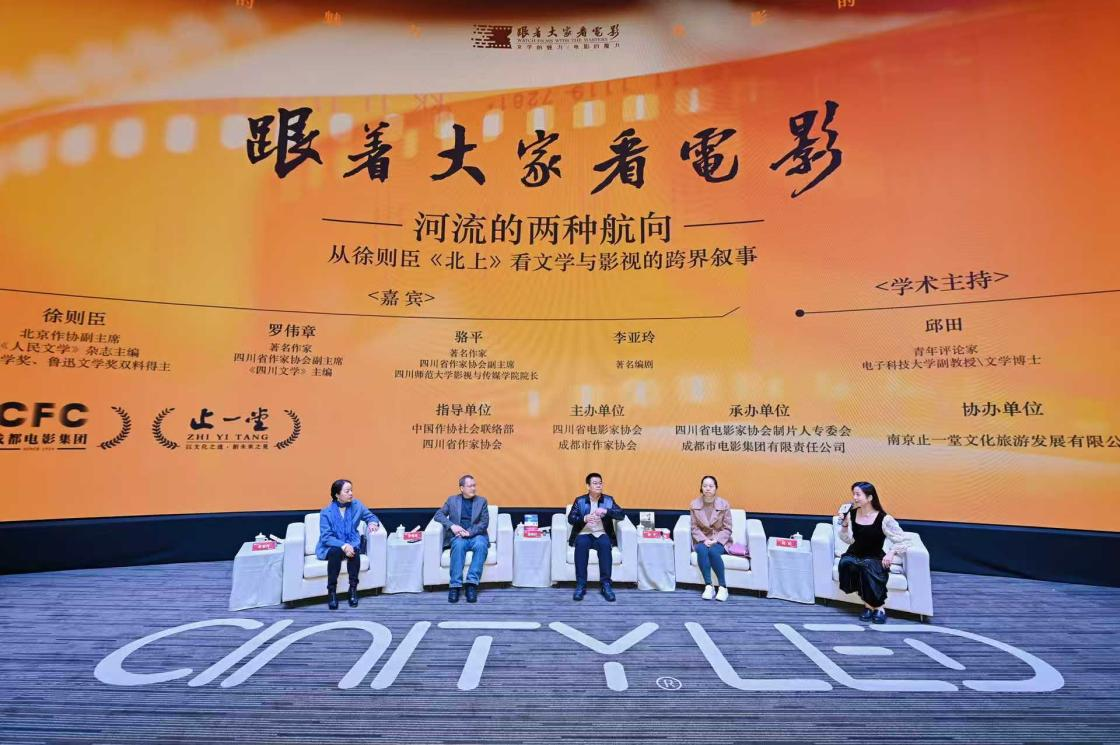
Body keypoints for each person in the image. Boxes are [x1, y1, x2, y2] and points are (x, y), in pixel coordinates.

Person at [835, 481, 910, 624]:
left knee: (867, 566)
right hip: (854, 553)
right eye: (853, 494)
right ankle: (871, 606)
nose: (854, 498)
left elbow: (904, 540)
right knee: (846, 563)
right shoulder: (851, 514)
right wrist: (844, 524)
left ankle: (876, 607)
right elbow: (848, 540)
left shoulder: (884, 519)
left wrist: (891, 552)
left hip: (874, 556)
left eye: (858, 494)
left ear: (869, 497)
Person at [315, 479, 381, 610]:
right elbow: (326, 537)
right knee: (336, 552)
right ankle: (332, 592)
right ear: (337, 495)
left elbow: (371, 516)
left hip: (351, 542)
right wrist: (344, 546)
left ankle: (353, 590)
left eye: (351, 490)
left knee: (354, 552)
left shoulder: (357, 505)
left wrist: (372, 523)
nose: (351, 493)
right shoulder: (326, 512)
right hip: (331, 546)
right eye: (347, 491)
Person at [567, 472, 625, 602]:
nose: (599, 485)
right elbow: (571, 519)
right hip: (584, 533)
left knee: (605, 545)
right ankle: (581, 585)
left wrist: (606, 511)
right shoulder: (580, 501)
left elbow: (621, 515)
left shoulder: (608, 500)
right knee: (581, 545)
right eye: (595, 483)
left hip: (601, 534)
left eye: (600, 483)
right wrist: (584, 518)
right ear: (588, 486)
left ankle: (606, 585)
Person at [433, 474, 490, 604]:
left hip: (476, 535)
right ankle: (455, 586)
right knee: (458, 546)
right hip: (458, 536)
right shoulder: (452, 500)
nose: (473, 488)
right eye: (470, 486)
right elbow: (438, 515)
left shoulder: (482, 501)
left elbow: (484, 523)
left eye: (474, 485)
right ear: (462, 488)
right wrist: (452, 526)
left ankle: (471, 584)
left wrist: (469, 533)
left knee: (481, 545)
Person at [689, 475, 732, 601]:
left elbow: (727, 528)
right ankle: (709, 586)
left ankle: (723, 587)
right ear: (701, 488)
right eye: (705, 486)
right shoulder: (694, 504)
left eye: (711, 486)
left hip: (719, 538)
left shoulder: (724, 504)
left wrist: (716, 540)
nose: (708, 488)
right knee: (702, 550)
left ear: (716, 488)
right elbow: (694, 527)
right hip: (702, 539)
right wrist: (704, 540)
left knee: (713, 551)